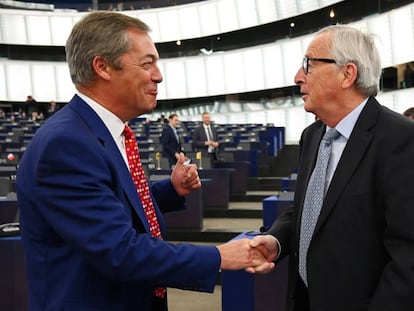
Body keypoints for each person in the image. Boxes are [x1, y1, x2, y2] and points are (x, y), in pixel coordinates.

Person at [15, 11, 275, 311]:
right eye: (147, 63)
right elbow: (120, 251)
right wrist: (220, 256)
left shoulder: (105, 133)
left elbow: (109, 205)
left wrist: (170, 190)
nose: (158, 75)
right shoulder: (66, 144)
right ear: (102, 67)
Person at [250, 25, 414, 311]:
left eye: (309, 65)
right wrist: (277, 240)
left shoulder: (400, 139)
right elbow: (307, 208)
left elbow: (408, 257)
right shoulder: (312, 136)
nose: (298, 77)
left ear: (347, 74)